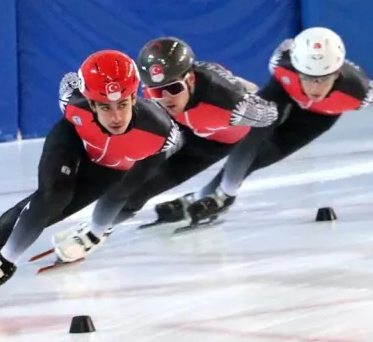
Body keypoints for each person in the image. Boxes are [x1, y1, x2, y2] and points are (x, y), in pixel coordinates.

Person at [0, 49, 182, 305]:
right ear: (90, 103)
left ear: (134, 97)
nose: (115, 117)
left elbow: (143, 173)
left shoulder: (161, 133)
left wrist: (109, 215)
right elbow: (70, 82)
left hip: (109, 169)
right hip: (73, 141)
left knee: (22, 222)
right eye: (104, 106)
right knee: (51, 197)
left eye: (122, 105)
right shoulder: (73, 102)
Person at [185, 27, 373, 224]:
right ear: (297, 70)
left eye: (323, 79)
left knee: (263, 155)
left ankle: (210, 195)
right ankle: (222, 194)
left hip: (318, 118)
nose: (315, 87)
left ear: (336, 74)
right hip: (283, 93)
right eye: (307, 77)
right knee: (249, 136)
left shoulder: (360, 92)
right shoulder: (281, 64)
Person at [104, 37, 279, 228]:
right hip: (182, 128)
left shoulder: (228, 101)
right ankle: (96, 228)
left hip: (214, 142)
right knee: (131, 179)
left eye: (174, 88)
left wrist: (226, 191)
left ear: (191, 80)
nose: (167, 97)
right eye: (157, 92)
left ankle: (211, 194)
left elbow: (269, 114)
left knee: (148, 188)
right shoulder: (154, 97)